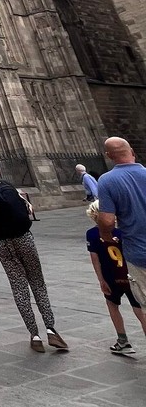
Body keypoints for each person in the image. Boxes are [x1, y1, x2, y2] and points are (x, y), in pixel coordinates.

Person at [0, 150, 68, 353]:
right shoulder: (4, 184)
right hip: (23, 237)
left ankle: (35, 335)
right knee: (37, 282)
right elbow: (27, 210)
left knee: (18, 286)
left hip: (0, 241)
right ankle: (50, 329)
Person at [86, 199, 146, 357]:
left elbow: (95, 259)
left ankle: (122, 341)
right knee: (140, 309)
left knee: (112, 304)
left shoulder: (92, 234)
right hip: (129, 274)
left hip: (110, 277)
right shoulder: (123, 231)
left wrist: (101, 280)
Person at [97, 136, 146, 309]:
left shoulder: (107, 180)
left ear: (109, 156)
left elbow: (107, 220)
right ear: (132, 151)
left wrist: (104, 234)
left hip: (139, 254)